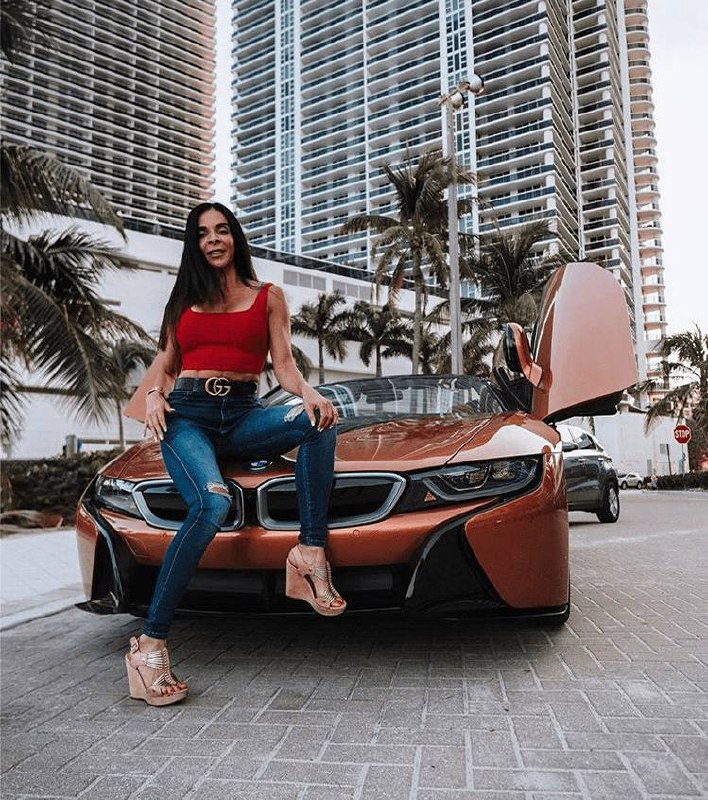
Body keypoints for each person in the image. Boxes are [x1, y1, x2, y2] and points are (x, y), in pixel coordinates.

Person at [125, 202, 344, 707]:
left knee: (316, 422)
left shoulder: (269, 297)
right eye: (203, 234)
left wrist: (307, 392)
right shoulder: (182, 302)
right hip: (189, 419)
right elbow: (165, 364)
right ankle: (150, 646)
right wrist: (156, 394)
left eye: (222, 230)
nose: (213, 240)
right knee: (211, 503)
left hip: (244, 415)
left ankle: (309, 555)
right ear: (195, 244)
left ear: (235, 237)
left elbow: (284, 365)